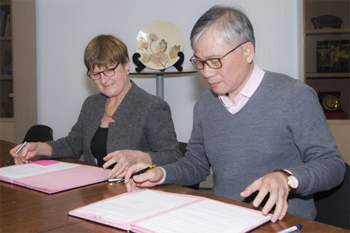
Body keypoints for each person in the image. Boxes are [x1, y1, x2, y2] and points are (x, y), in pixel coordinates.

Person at [124, 5, 346, 223]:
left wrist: (286, 178)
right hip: (223, 220)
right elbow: (196, 165)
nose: (207, 73)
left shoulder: (294, 96)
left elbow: (332, 165)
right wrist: (161, 173)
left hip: (283, 223)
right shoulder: (205, 104)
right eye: (200, 62)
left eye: (215, 61)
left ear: (247, 51)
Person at [10, 34, 182, 179]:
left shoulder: (152, 106)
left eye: (109, 70)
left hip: (134, 193)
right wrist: (38, 147)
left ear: (126, 65)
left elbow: (173, 156)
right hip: (93, 191)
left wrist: (140, 157)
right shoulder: (92, 104)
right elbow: (72, 145)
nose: (104, 80)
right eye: (96, 74)